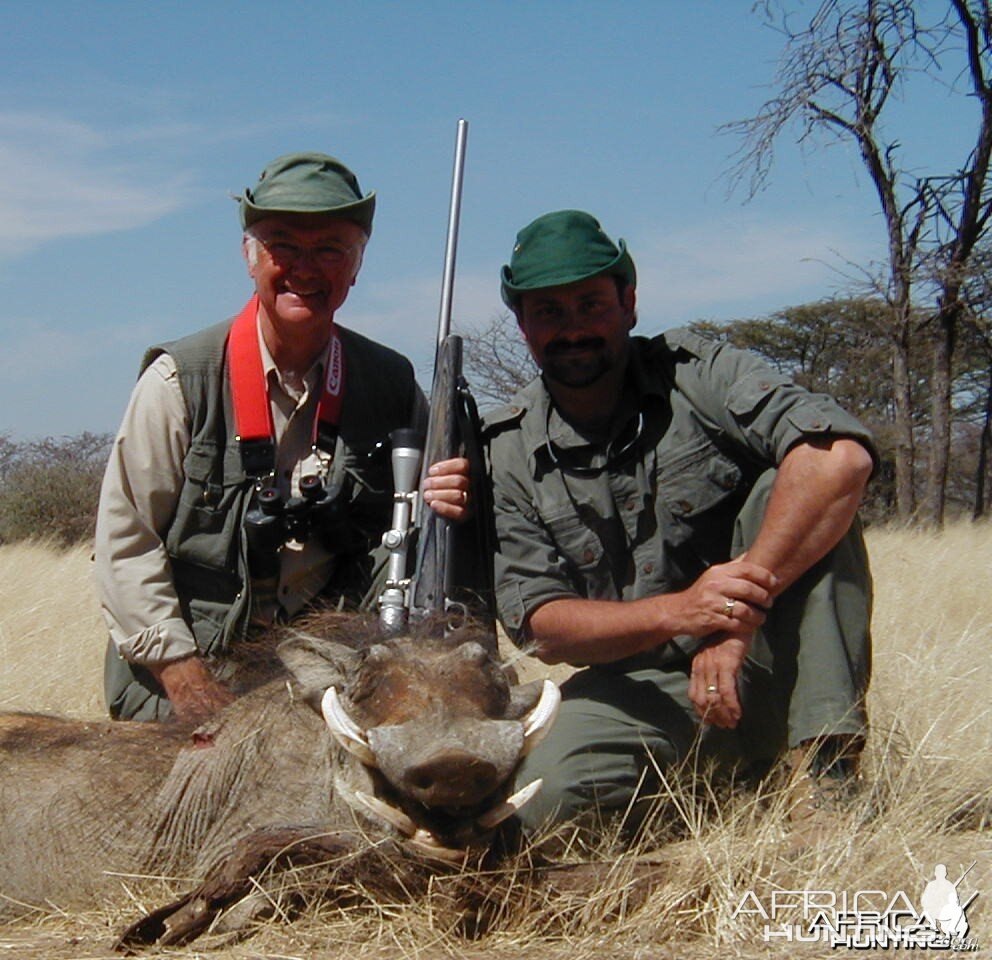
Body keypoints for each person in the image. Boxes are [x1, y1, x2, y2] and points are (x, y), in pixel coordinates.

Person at [485, 210, 875, 838]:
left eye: (590, 304)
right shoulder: (503, 449)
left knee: (797, 480)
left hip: (767, 660)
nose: (573, 328)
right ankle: (727, 793)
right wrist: (683, 613)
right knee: (536, 804)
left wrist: (730, 620)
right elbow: (545, 630)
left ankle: (827, 778)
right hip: (639, 693)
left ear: (629, 301)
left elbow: (842, 459)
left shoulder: (702, 373)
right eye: (548, 312)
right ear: (523, 326)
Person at [94, 152, 468, 723]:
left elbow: (428, 526)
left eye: (330, 250)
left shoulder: (391, 382)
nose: (306, 268)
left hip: (337, 670)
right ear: (250, 257)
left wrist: (454, 490)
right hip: (197, 670)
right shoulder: (179, 381)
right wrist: (184, 679)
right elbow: (126, 544)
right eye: (284, 246)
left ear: (356, 266)